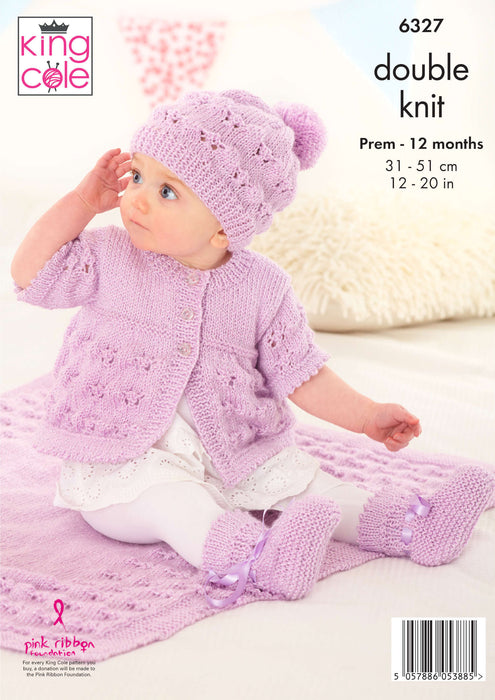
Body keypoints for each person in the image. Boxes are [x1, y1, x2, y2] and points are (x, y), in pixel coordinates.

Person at [11, 89, 493, 608]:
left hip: (233, 454)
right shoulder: (109, 256)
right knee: (175, 501)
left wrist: (366, 415)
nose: (137, 199)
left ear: (224, 227)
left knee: (310, 485)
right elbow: (29, 274)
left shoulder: (263, 286)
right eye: (138, 177)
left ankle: (412, 525)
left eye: (167, 191)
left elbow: (301, 373)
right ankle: (255, 561)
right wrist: (83, 203)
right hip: (122, 463)